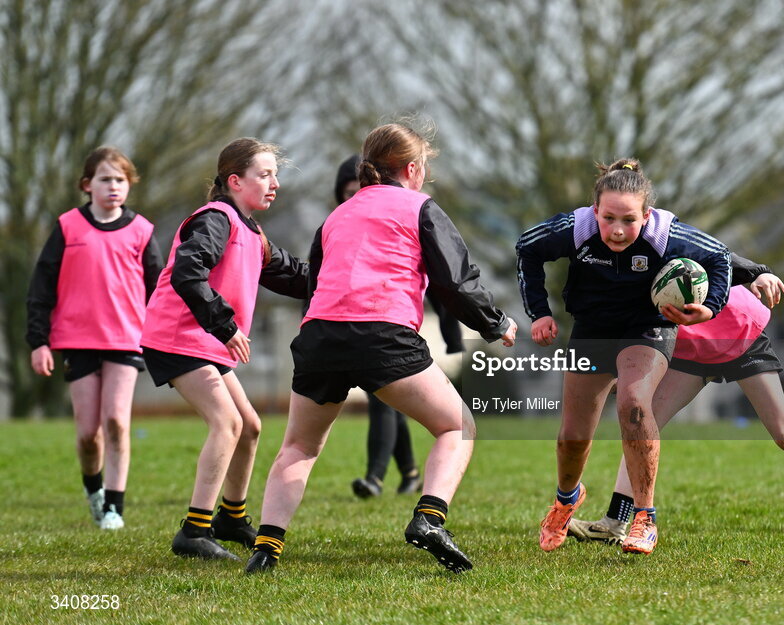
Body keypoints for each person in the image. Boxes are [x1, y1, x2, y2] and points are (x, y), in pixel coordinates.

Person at [248, 123, 516, 575]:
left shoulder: (337, 215)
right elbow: (455, 281)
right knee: (458, 427)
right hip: (382, 336)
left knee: (298, 446)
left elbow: (314, 284)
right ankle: (430, 519)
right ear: (412, 168)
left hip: (320, 338)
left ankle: (265, 550)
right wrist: (496, 323)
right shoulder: (420, 207)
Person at [568, 263, 784, 549]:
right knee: (641, 426)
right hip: (691, 348)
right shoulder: (608, 267)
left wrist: (758, 272)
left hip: (739, 336)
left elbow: (720, 256)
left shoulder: (660, 241)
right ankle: (615, 523)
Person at [517, 159, 731, 555]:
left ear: (646, 216)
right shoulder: (575, 230)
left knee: (633, 404)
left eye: (629, 220)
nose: (617, 230)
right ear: (595, 210)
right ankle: (567, 500)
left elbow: (720, 256)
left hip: (648, 328)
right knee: (573, 438)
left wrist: (709, 307)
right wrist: (540, 312)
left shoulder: (666, 236)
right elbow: (526, 249)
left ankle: (644, 517)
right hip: (592, 330)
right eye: (609, 217)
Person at [141, 138, 308, 559]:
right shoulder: (216, 219)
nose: (275, 184)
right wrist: (225, 323)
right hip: (178, 337)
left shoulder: (252, 232)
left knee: (249, 427)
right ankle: (194, 532)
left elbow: (293, 275)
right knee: (227, 424)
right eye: (265, 175)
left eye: (276, 175)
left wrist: (342, 278)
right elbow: (187, 271)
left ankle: (231, 519)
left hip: (204, 340)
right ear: (235, 181)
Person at [27, 147, 163, 531]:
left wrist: (162, 338)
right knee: (89, 434)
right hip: (77, 338)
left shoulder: (142, 231)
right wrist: (39, 341)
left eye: (120, 179)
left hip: (126, 339)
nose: (113, 186)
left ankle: (114, 508)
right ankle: (94, 492)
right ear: (87, 185)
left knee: (117, 422)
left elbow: (158, 291)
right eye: (105, 179)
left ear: (129, 186)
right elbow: (41, 287)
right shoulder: (68, 226)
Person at [333, 155, 465, 499]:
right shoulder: (338, 225)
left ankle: (375, 477)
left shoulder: (406, 217)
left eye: (356, 190)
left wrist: (453, 337)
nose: (352, 198)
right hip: (344, 333)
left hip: (389, 331)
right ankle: (409, 473)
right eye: (346, 193)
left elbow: (444, 281)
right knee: (390, 406)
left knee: (384, 404)